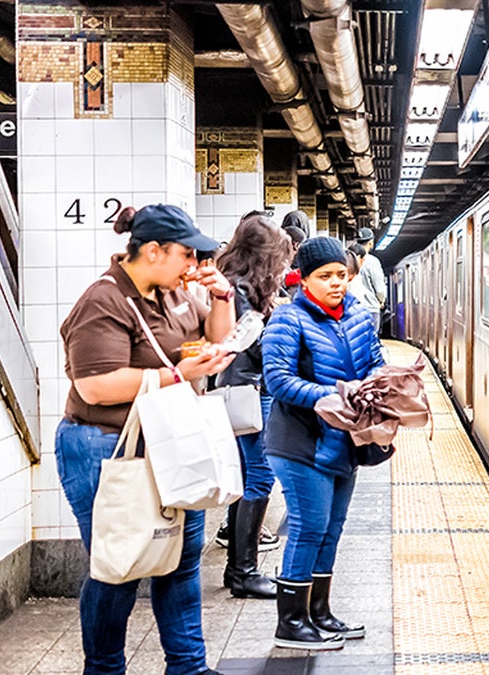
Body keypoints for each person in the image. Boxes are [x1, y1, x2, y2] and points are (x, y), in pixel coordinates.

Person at [56, 204, 237, 674]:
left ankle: (188, 667)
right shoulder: (104, 300)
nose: (193, 266)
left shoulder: (174, 293)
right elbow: (94, 386)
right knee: (118, 566)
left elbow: (219, 336)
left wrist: (222, 297)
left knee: (180, 559)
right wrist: (177, 375)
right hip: (105, 446)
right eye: (186, 255)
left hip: (168, 441)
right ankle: (104, 669)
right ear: (153, 251)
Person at [261, 237, 385, 650]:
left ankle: (319, 613)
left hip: (345, 440)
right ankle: (291, 622)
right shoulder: (287, 320)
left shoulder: (360, 317)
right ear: (305, 280)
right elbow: (277, 380)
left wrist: (383, 386)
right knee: (308, 526)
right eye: (325, 276)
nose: (337, 283)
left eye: (342, 275)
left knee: (331, 529)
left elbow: (375, 363)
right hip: (299, 442)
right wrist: (330, 395)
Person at [210, 213, 293, 600]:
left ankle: (236, 570)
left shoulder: (233, 282)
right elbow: (246, 343)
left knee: (246, 476)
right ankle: (244, 572)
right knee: (259, 476)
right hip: (249, 389)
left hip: (242, 387)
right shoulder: (241, 290)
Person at [351, 228, 388, 332]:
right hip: (370, 308)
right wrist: (381, 301)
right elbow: (380, 289)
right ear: (371, 243)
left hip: (353, 309)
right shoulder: (372, 262)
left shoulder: (348, 258)